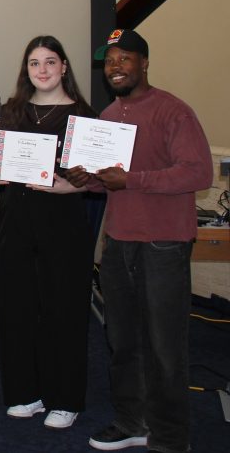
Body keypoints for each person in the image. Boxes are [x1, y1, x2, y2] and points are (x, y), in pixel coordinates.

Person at [68, 30, 212, 453]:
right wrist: (87, 178)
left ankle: (169, 437)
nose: (114, 66)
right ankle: (132, 421)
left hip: (164, 246)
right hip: (119, 243)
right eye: (109, 60)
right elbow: (108, 180)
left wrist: (131, 180)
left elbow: (197, 173)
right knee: (123, 340)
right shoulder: (109, 117)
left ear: (144, 62)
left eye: (124, 58)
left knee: (165, 346)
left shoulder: (173, 112)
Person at [0, 35, 96, 430]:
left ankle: (64, 399)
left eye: (50, 62)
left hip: (63, 222)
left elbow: (94, 177)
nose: (43, 70)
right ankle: (24, 393)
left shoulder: (84, 115)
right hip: (16, 220)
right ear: (27, 70)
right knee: (16, 310)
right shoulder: (13, 111)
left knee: (62, 311)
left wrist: (70, 186)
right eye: (35, 63)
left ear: (64, 66)